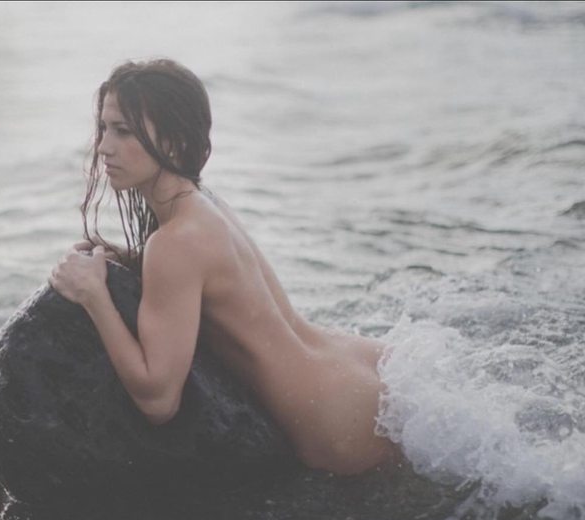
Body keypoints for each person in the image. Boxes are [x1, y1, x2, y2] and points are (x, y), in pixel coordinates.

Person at [49, 59, 399, 475]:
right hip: (362, 368)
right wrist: (127, 258)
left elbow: (158, 400)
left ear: (175, 141)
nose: (104, 146)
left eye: (123, 131)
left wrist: (94, 296)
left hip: (335, 423)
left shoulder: (174, 244)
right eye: (104, 128)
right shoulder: (204, 206)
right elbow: (199, 278)